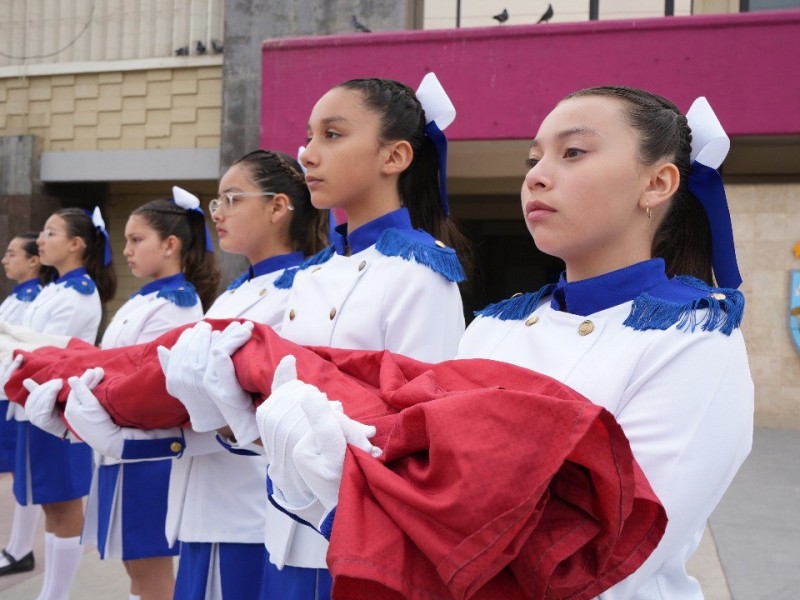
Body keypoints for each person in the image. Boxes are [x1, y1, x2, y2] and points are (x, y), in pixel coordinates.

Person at [254, 86, 754, 598]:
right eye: (533, 158)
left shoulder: (695, 343)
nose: (536, 174)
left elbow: (610, 559)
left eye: (573, 152)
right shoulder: (494, 328)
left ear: (657, 183)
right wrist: (328, 477)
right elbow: (432, 489)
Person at [158, 73, 471, 599]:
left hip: (362, 546)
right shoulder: (313, 273)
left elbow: (420, 437)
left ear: (394, 157)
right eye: (308, 136)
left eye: (332, 135)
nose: (307, 153)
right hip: (284, 532)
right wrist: (236, 414)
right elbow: (282, 416)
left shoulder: (420, 272)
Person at [49, 150, 327, 600]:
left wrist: (131, 438)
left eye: (232, 199)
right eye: (217, 201)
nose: (218, 213)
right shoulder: (235, 294)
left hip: (248, 504)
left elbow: (265, 414)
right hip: (202, 499)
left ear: (278, 207)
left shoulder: (302, 292)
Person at [24, 190, 219, 600]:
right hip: (119, 444)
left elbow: (146, 386)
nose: (125, 250)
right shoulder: (148, 298)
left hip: (147, 452)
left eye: (136, 240)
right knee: (136, 566)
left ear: (171, 245)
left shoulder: (176, 305)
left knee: (149, 568)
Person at [13, 207, 116, 600]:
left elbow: (42, 352)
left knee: (63, 501)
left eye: (50, 232)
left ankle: (56, 594)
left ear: (76, 244)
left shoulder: (77, 293)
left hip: (58, 405)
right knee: (51, 503)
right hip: (35, 402)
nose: (41, 239)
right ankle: (52, 592)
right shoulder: (55, 288)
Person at [0, 232, 55, 577]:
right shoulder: (20, 296)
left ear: (33, 261)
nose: (5, 259)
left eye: (11, 253)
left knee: (26, 473)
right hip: (7, 392)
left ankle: (19, 548)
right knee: (20, 472)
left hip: (14, 392)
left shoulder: (35, 297)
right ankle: (16, 547)